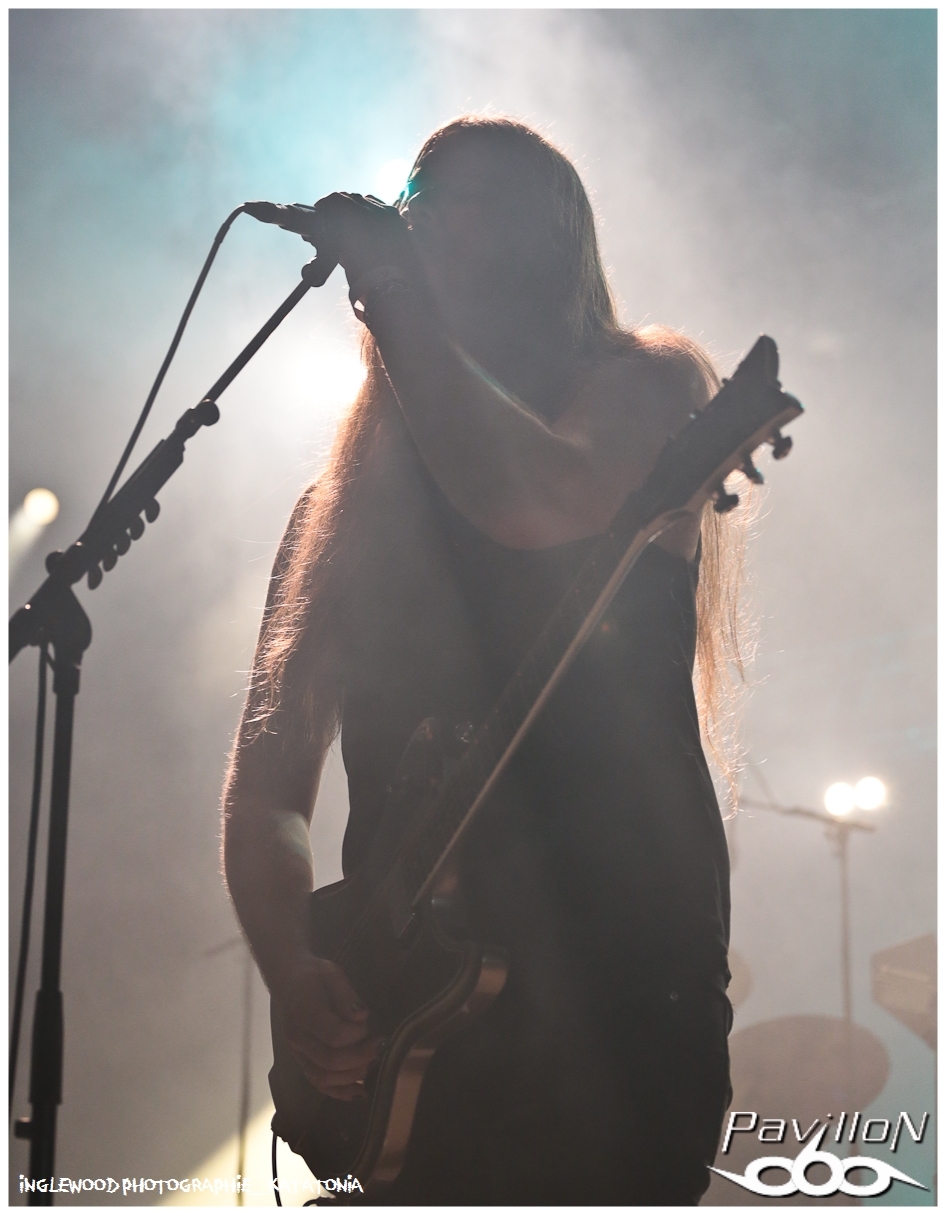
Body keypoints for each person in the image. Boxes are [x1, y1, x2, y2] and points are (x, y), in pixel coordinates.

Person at [223, 115, 742, 1204]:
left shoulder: (649, 383)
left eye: (471, 199)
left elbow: (527, 500)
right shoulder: (336, 508)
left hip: (617, 989)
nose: (428, 223)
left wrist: (392, 292)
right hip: (413, 1017)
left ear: (551, 237)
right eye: (420, 197)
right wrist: (294, 966)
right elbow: (269, 782)